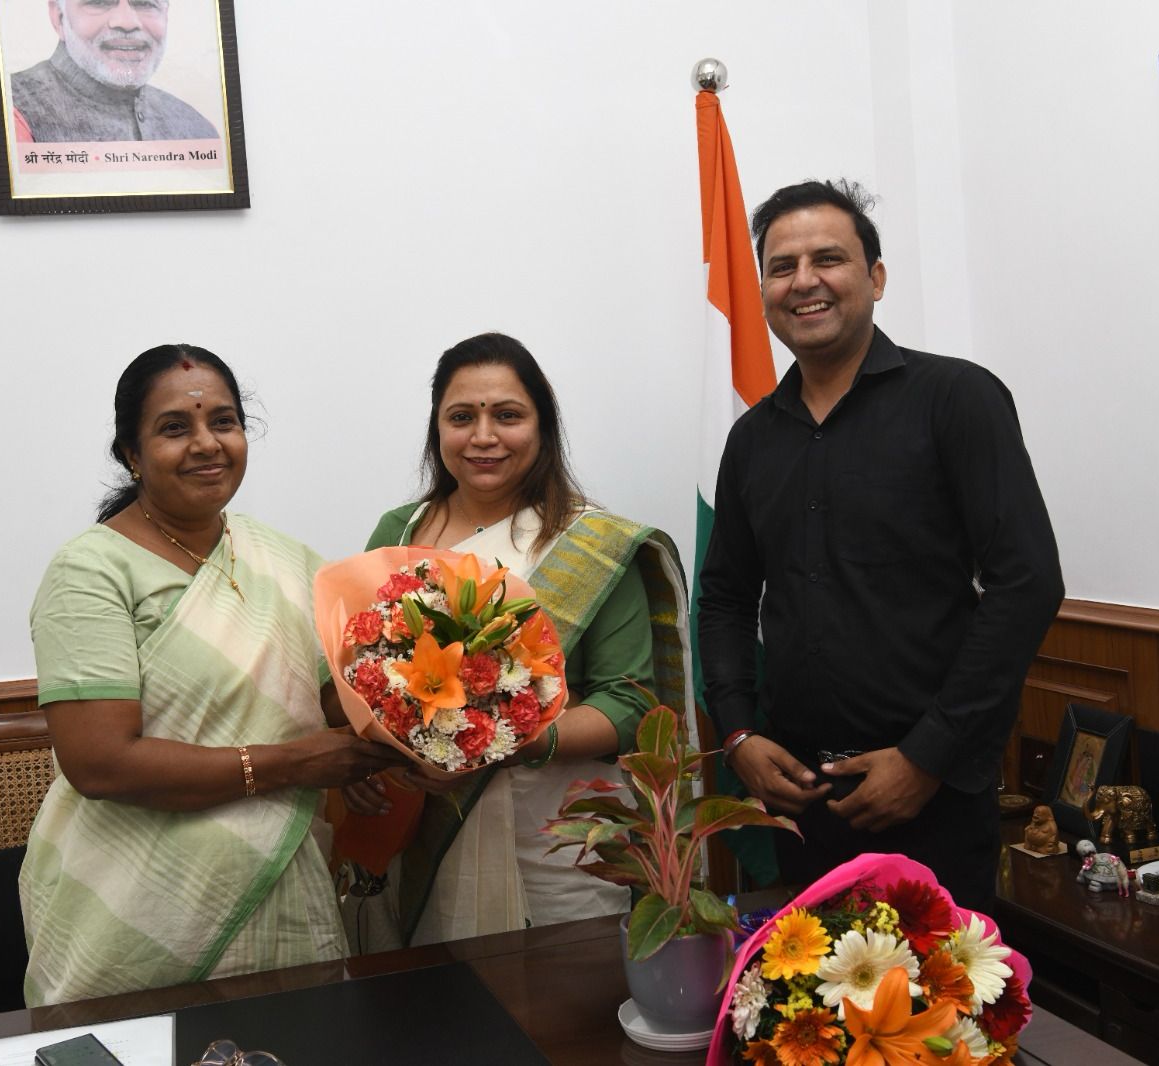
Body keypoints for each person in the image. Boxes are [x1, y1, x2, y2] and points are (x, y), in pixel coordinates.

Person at [697, 180, 1064, 908]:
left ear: (876, 277)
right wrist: (739, 733)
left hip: (930, 796)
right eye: (781, 265)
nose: (804, 281)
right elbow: (725, 599)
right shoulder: (751, 440)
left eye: (828, 258)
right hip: (800, 801)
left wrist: (927, 755)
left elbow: (1026, 583)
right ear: (764, 288)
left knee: (941, 1014)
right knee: (806, 1016)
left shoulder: (956, 400)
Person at [19, 343, 405, 1005]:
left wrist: (393, 744)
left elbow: (334, 701)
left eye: (224, 422)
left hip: (279, 882)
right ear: (131, 454)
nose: (207, 444)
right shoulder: (90, 572)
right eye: (175, 428)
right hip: (130, 909)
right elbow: (100, 762)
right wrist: (290, 764)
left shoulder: (285, 560)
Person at [341, 332, 692, 948]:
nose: (483, 436)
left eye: (507, 415)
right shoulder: (398, 531)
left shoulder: (591, 544)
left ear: (542, 427)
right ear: (437, 430)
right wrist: (367, 759)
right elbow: (353, 670)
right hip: (421, 826)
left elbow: (631, 703)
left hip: (554, 836)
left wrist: (502, 744)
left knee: (555, 1021)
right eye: (461, 417)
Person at [10, 0, 220, 144]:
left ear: (166, 15)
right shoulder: (13, 114)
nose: (127, 22)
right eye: (99, 1)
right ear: (58, 17)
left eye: (146, 2)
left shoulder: (198, 130)